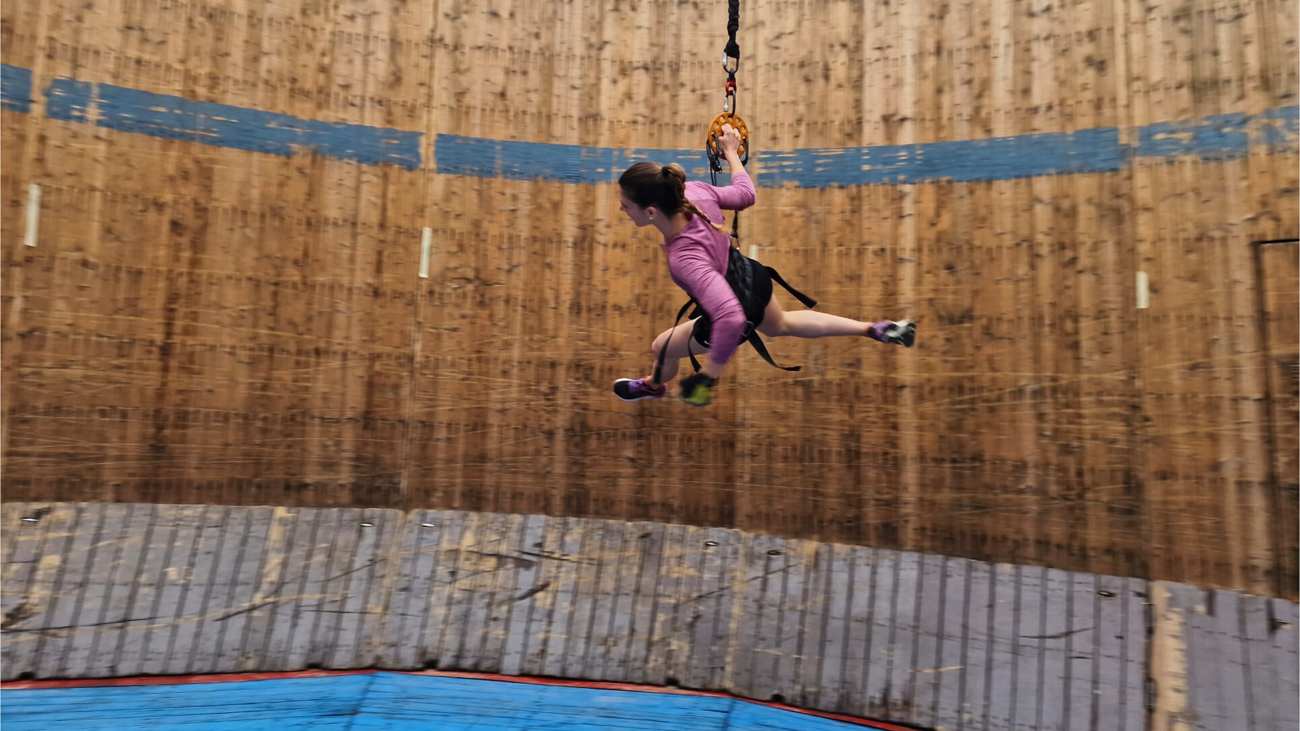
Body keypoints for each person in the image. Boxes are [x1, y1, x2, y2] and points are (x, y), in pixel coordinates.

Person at [613, 124, 916, 406]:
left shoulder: (684, 258)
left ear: (651, 212)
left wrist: (709, 376)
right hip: (752, 277)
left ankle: (654, 385)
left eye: (625, 205)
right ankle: (873, 329)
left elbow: (730, 317)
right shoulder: (693, 191)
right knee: (780, 324)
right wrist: (732, 153)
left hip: (738, 307)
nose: (621, 208)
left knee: (660, 348)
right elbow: (746, 195)